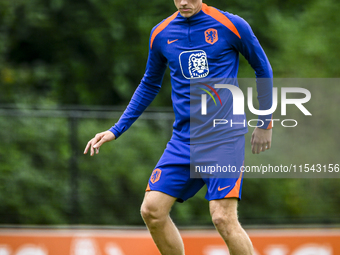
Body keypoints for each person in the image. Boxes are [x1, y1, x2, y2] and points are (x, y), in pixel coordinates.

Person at [84, 0, 273, 254]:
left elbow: (263, 69)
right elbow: (149, 84)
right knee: (152, 211)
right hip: (183, 140)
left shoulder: (231, 25)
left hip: (223, 137)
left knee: (223, 218)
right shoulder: (161, 34)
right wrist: (116, 129)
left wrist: (265, 123)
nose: (183, 2)